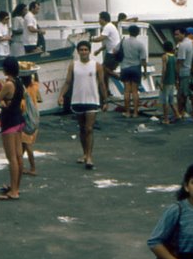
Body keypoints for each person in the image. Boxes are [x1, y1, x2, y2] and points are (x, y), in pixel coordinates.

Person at [59, 41, 108, 170]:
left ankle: (90, 157)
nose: (84, 52)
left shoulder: (97, 65)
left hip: (92, 100)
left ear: (90, 51)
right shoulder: (73, 65)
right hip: (77, 100)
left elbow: (102, 84)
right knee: (81, 129)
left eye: (86, 49)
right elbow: (68, 82)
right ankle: (85, 153)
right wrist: (61, 96)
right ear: (78, 51)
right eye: (81, 49)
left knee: (89, 129)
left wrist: (105, 100)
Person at [0, 56, 25, 200]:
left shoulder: (8, 84)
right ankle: (16, 187)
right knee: (19, 156)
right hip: (19, 120)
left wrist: (2, 103)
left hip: (9, 122)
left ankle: (14, 191)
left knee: (12, 158)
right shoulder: (19, 82)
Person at [119, 24, 147, 119]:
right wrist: (145, 71)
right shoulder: (140, 44)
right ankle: (135, 112)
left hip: (125, 67)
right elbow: (143, 59)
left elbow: (115, 51)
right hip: (136, 68)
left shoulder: (123, 42)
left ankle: (127, 112)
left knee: (126, 91)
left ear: (129, 32)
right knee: (135, 91)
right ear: (138, 33)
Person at [91, 11, 122, 95]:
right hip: (113, 52)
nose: (98, 21)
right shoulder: (111, 26)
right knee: (105, 73)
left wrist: (90, 39)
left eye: (99, 18)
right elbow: (108, 43)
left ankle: (121, 77)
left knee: (103, 69)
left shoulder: (107, 27)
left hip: (113, 53)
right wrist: (99, 50)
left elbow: (101, 38)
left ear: (103, 19)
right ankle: (107, 91)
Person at [21, 70, 41, 176]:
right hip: (35, 119)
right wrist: (35, 71)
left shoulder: (23, 93)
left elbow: (22, 108)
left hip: (26, 121)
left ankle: (33, 167)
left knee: (27, 145)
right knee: (24, 145)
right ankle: (21, 165)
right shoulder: (34, 87)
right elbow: (37, 81)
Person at [175, 28, 193, 118]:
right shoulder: (192, 43)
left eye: (177, 34)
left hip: (184, 72)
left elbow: (180, 61)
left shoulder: (183, 45)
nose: (176, 37)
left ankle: (181, 112)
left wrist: (176, 74)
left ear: (184, 34)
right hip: (192, 71)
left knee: (182, 94)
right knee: (192, 94)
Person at [160, 41, 181, 124]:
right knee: (172, 100)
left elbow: (164, 69)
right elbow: (176, 70)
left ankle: (166, 119)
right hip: (172, 81)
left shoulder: (165, 56)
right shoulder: (174, 57)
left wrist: (161, 81)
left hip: (166, 81)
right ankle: (177, 114)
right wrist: (176, 80)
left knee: (165, 101)